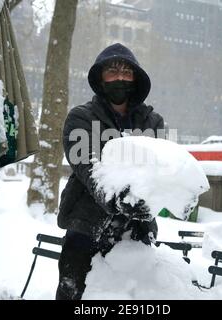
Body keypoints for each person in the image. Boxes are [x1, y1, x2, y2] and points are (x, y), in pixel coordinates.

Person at [56, 43, 165, 300]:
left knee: (131, 295)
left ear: (135, 79)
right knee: (74, 292)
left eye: (126, 72)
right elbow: (86, 164)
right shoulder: (81, 117)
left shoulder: (153, 122)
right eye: (112, 72)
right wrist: (114, 197)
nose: (120, 78)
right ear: (100, 78)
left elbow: (161, 167)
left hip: (137, 229)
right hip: (86, 225)